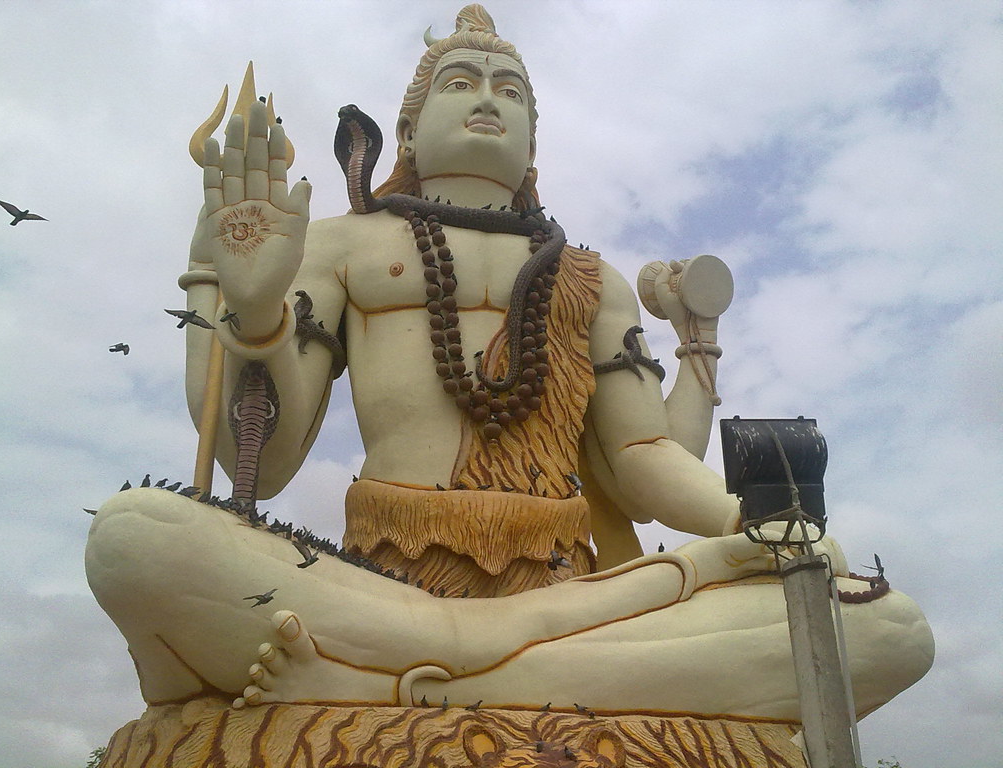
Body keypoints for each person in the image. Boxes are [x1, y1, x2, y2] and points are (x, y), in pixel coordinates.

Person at [86, 5, 931, 720]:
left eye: (510, 90)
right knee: (134, 538)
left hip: (570, 592)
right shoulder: (341, 245)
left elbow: (643, 459)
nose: (488, 99)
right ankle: (500, 675)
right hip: (382, 583)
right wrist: (258, 309)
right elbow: (260, 467)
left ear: (534, 139)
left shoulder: (592, 281)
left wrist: (752, 526)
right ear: (410, 127)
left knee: (888, 630)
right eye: (461, 82)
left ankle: (419, 683)